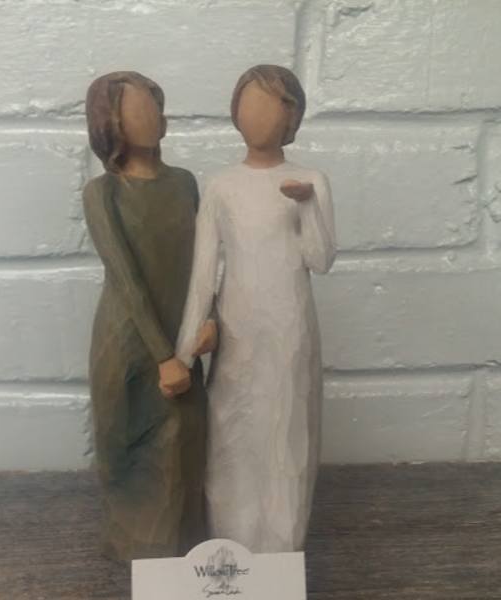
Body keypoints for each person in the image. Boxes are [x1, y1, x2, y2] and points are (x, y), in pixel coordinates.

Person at [175, 64, 336, 552]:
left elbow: (321, 259)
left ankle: (281, 552)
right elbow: (202, 274)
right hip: (237, 333)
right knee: (232, 432)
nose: (257, 113)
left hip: (290, 332)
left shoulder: (310, 179)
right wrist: (184, 351)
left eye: (271, 103)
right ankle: (230, 545)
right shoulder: (222, 186)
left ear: (292, 116)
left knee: (287, 434)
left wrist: (307, 205)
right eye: (248, 102)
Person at [82, 71, 216, 561]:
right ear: (111, 122)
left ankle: (186, 547)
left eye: (154, 106)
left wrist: (209, 319)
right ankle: (137, 546)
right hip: (129, 344)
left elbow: (205, 261)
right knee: (130, 448)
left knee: (185, 444)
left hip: (184, 339)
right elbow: (126, 278)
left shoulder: (184, 183)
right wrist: (163, 357)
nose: (152, 117)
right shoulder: (103, 193)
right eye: (137, 109)